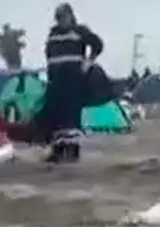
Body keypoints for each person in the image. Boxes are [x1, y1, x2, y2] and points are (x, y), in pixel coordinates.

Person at [37, 3, 103, 163]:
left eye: (62, 17)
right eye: (57, 17)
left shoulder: (80, 31)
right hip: (55, 80)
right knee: (56, 116)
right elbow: (49, 54)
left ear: (70, 16)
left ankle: (72, 151)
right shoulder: (53, 34)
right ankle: (58, 150)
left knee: (71, 116)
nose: (60, 20)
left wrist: (89, 62)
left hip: (73, 79)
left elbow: (98, 45)